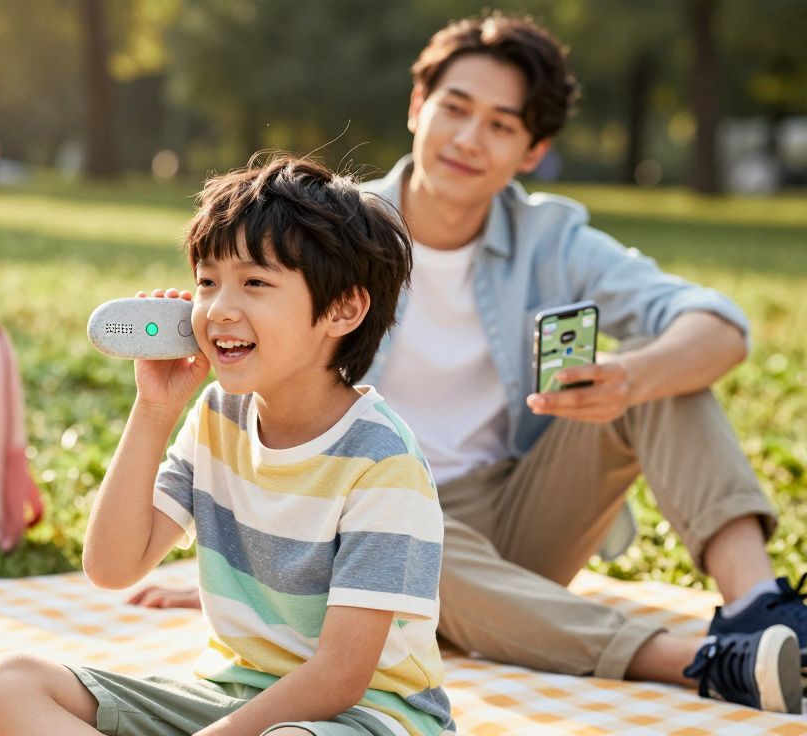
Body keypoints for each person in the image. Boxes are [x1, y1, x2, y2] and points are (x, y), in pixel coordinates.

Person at [129, 12, 807, 715]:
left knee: (664, 371)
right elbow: (242, 334)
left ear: (533, 150)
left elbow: (719, 325)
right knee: (408, 531)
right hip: (365, 513)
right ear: (418, 106)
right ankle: (702, 661)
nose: (467, 139)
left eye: (500, 125)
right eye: (454, 108)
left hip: (522, 509)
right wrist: (257, 571)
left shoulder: (553, 238)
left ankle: (760, 611)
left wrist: (630, 379)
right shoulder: (327, 230)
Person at [0, 155, 457, 736]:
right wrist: (155, 409)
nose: (219, 309)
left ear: (342, 309)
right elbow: (111, 567)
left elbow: (340, 677)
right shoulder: (216, 415)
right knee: (6, 684)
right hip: (229, 697)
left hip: (365, 716)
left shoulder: (383, 462)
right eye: (207, 282)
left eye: (255, 283)